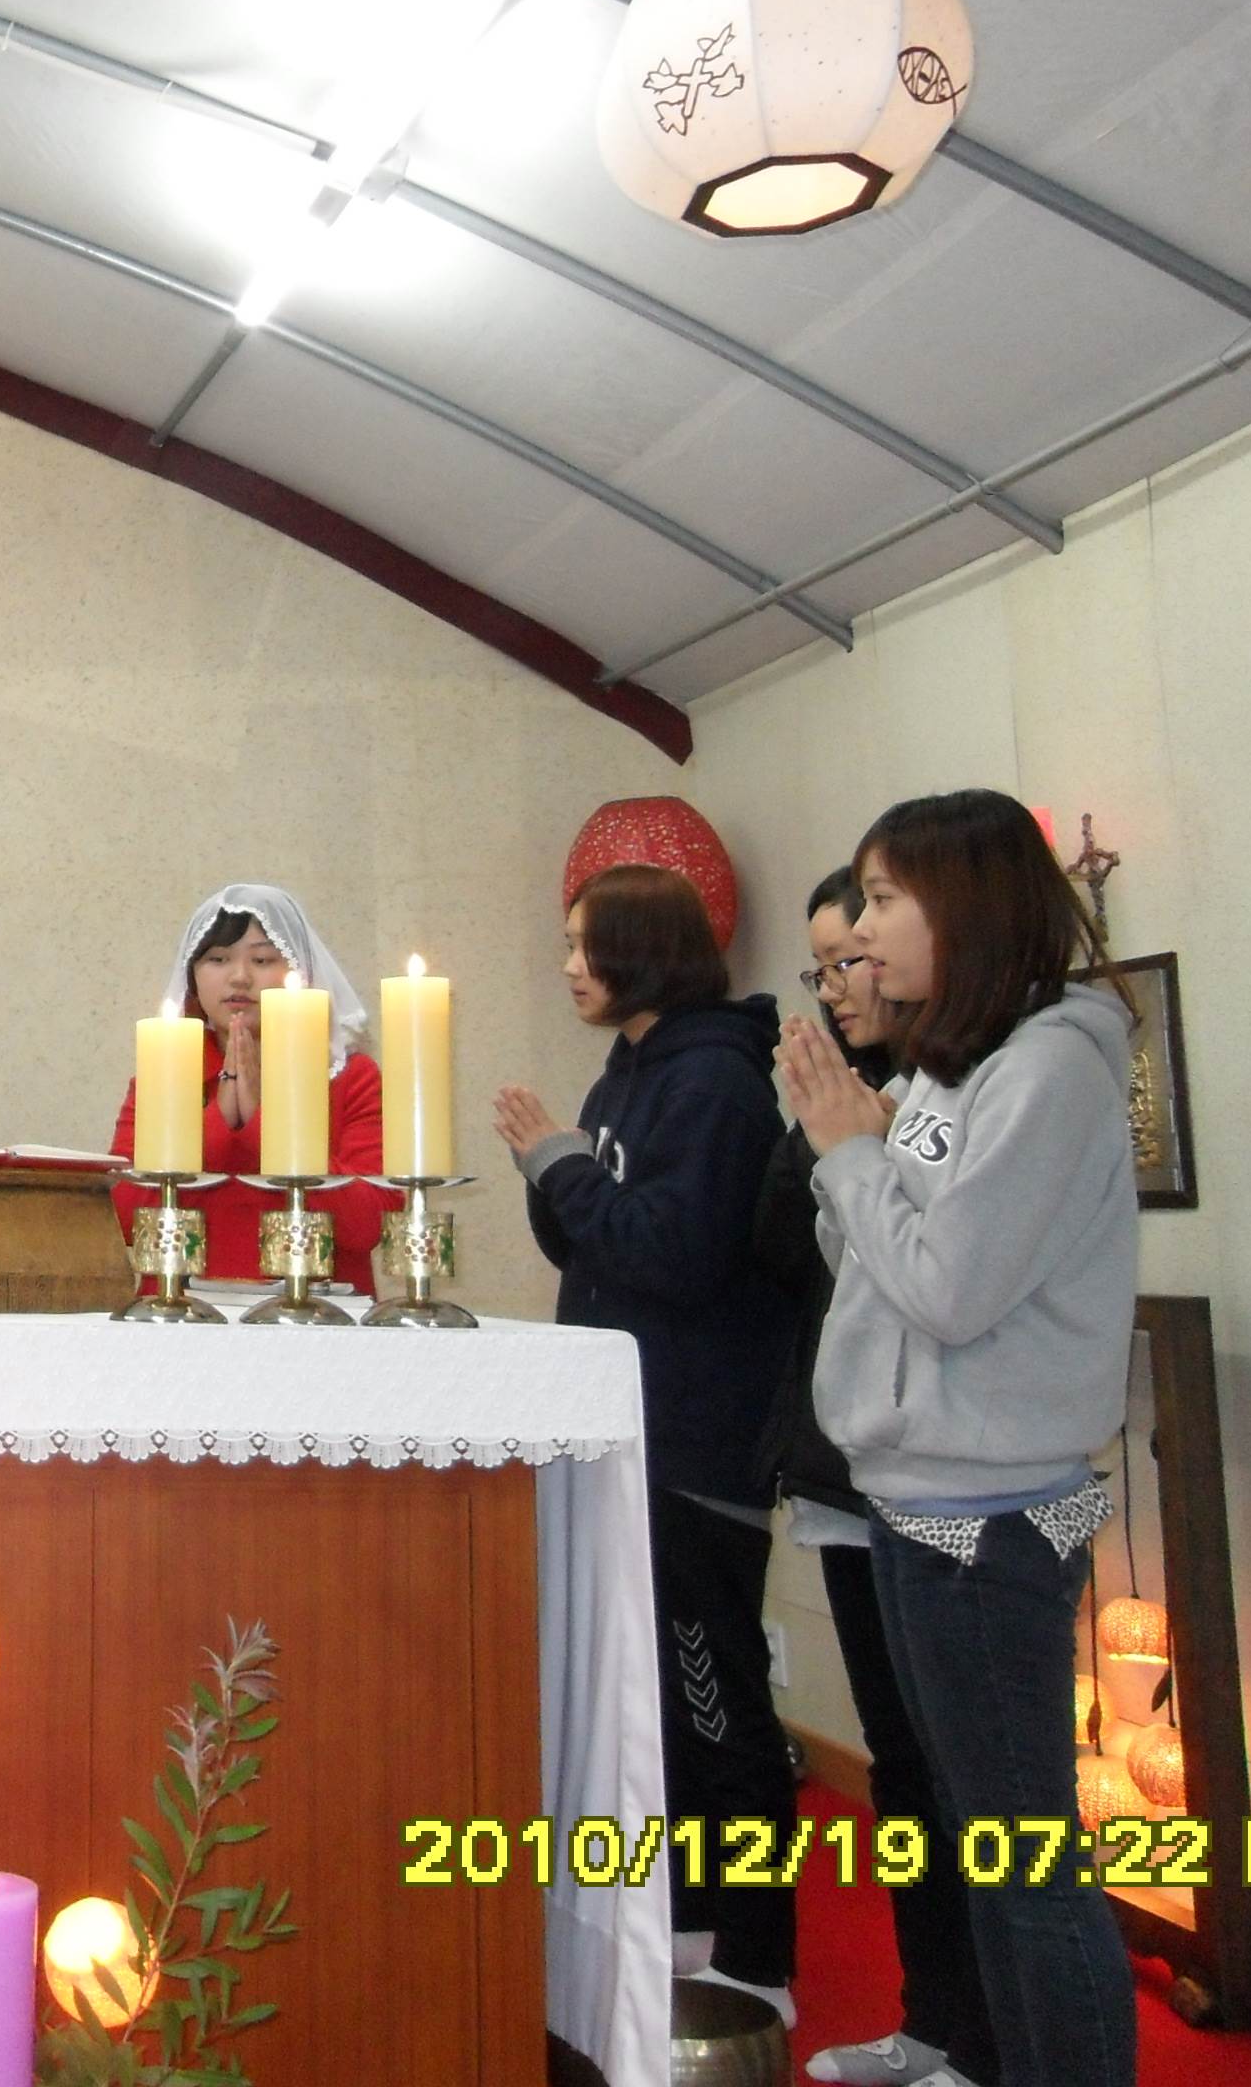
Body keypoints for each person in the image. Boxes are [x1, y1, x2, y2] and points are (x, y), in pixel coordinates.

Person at [784, 793, 1138, 2087]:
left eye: (884, 900)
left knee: (1028, 1867)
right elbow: (872, 1260)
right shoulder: (947, 1066)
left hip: (990, 1517)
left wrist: (850, 1154)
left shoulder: (1048, 1068)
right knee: (975, 1842)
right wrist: (856, 1154)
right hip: (914, 1494)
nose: (862, 933)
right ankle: (981, 2055)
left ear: (967, 906)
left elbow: (949, 1286)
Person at [494, 862, 799, 2022]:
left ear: (646, 950)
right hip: (631, 1427)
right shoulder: (630, 1070)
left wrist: (563, 1162)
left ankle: (760, 1955)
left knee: (718, 1705)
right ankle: (687, 1913)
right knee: (658, 1702)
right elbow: (592, 1244)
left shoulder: (714, 1081)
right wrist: (551, 1170)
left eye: (586, 945)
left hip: (694, 1437)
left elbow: (673, 1254)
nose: (569, 967)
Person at [758, 872, 995, 2087]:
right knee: (900, 1768)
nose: (838, 986)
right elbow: (791, 1250)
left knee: (961, 1778)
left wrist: (861, 1139)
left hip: (944, 1480)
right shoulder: (874, 1091)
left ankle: (987, 2042)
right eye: (822, 967)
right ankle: (932, 2019)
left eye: (851, 956)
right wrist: (828, 1121)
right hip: (851, 1473)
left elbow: (937, 1277)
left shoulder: (962, 1094)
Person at [107, 884, 387, 1286]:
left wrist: (264, 1123)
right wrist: (218, 1120)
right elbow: (122, 1217)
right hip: (181, 1308)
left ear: (300, 972)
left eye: (262, 959)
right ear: (192, 975)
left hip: (319, 1311)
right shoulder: (161, 1075)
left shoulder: (351, 1076)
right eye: (217, 959)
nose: (240, 978)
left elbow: (366, 1226)